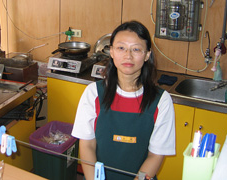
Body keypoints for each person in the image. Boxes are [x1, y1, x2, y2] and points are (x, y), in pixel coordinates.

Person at [71, 20, 176, 180]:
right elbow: (87, 146)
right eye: (121, 48)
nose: (128, 55)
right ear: (111, 52)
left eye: (136, 49)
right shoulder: (93, 93)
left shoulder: (161, 101)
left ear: (147, 55)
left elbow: (155, 156)